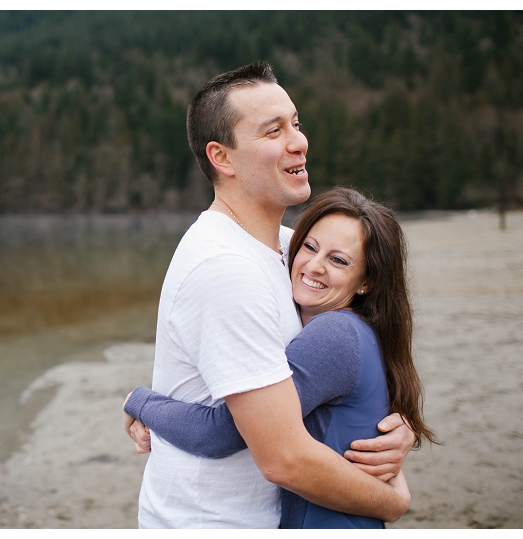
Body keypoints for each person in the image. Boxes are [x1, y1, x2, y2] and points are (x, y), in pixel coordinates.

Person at [125, 61, 415, 529]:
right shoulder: (226, 267)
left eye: (296, 124)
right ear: (222, 158)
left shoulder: (291, 248)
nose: (298, 141)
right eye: (273, 131)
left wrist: (390, 424)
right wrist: (394, 500)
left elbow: (345, 354)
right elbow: (283, 459)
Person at [125, 187, 439, 528]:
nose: (314, 265)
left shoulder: (333, 336)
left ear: (367, 282)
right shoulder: (357, 329)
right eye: (310, 247)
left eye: (338, 260)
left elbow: (219, 434)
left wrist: (139, 400)